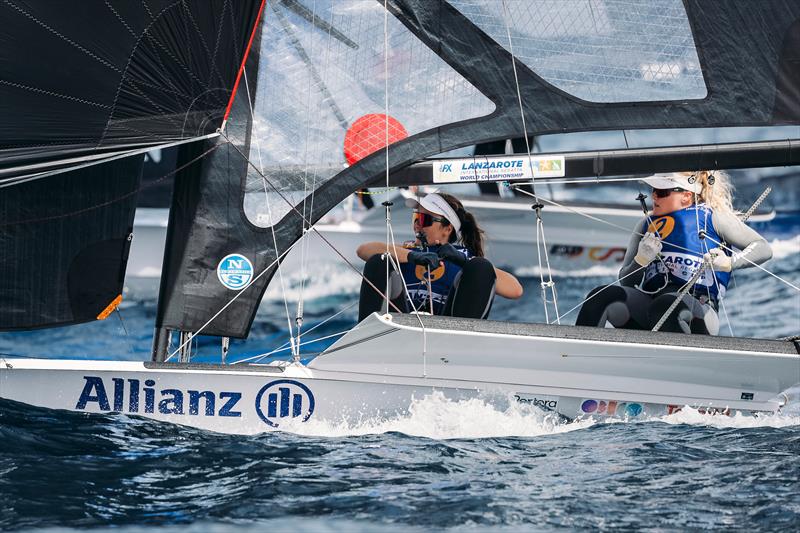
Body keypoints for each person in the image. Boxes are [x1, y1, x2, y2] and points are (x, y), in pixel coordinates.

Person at [576, 171, 772, 334]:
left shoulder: (713, 218)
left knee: (665, 306)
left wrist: (729, 263)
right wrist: (640, 260)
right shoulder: (645, 224)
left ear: (686, 196)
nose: (654, 196)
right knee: (600, 296)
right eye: (653, 190)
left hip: (697, 310)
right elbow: (626, 282)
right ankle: (576, 362)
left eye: (662, 192)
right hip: (650, 306)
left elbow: (763, 247)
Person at [356, 192, 523, 322]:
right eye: (415, 218)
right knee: (379, 261)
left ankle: (463, 344)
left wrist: (463, 261)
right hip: (402, 322)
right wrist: (413, 256)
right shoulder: (405, 251)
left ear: (447, 229)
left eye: (424, 219)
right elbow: (363, 250)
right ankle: (365, 341)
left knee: (481, 266)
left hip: (449, 327)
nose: (417, 225)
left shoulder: (464, 257)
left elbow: (515, 290)